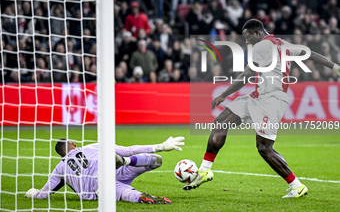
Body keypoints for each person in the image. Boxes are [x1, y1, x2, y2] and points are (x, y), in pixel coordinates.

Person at [184, 19, 340, 198]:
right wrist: (334, 66)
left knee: (264, 148)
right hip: (257, 97)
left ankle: (296, 186)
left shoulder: (262, 46)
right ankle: (205, 170)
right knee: (220, 122)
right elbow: (309, 53)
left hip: (272, 100)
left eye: (247, 37)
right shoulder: (283, 44)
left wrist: (224, 94)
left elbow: (247, 75)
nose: (247, 41)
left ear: (257, 33)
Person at [25, 136, 185, 204]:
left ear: (61, 154)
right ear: (73, 143)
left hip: (99, 188)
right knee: (157, 161)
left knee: (123, 194)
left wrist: (32, 192)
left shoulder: (59, 168)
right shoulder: (91, 146)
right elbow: (128, 149)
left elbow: (44, 193)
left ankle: (140, 197)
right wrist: (160, 146)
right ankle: (126, 162)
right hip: (115, 169)